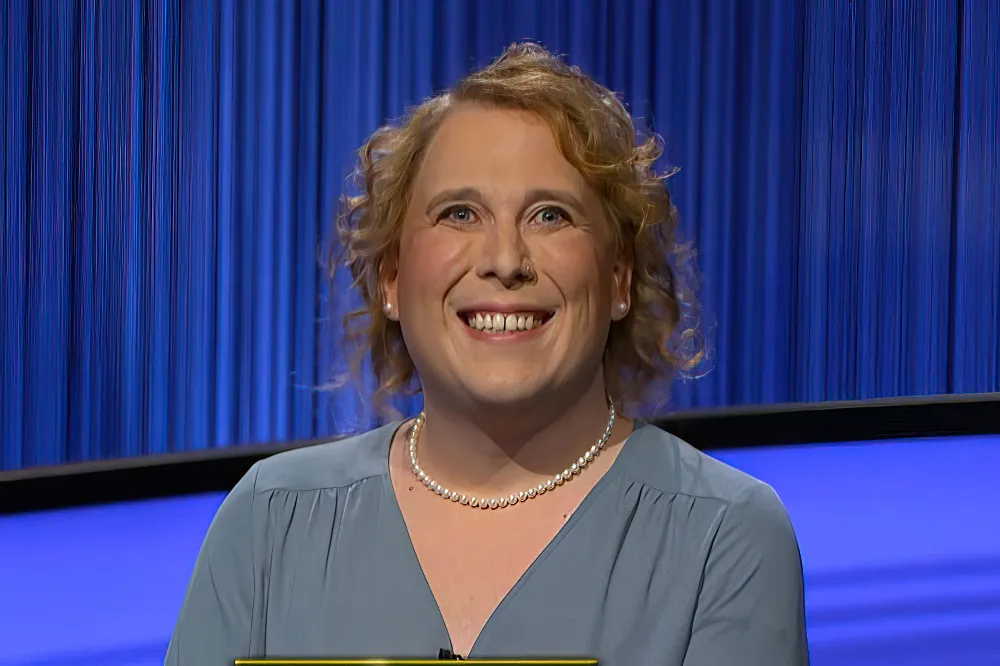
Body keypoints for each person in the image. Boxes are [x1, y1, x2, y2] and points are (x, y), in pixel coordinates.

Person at [165, 42, 808, 666]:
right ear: (391, 278)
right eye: (460, 214)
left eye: (550, 215)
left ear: (618, 278)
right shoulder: (270, 522)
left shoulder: (723, 539)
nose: (505, 260)